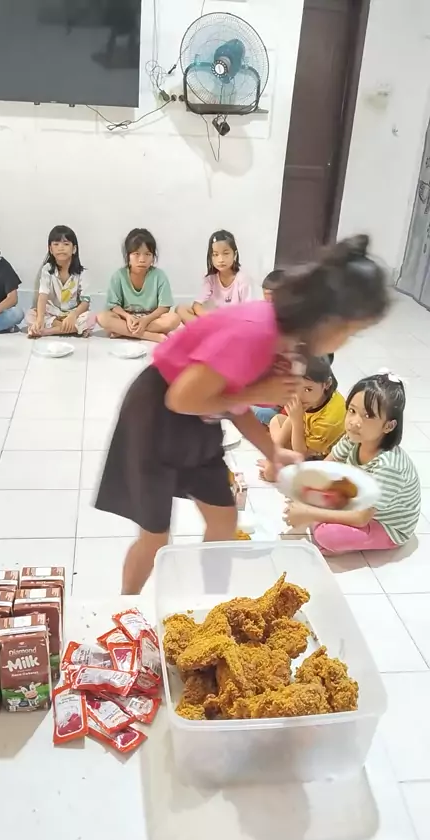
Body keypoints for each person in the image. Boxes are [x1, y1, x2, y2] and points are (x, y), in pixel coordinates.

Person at [95, 234, 390, 594]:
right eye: (351, 331)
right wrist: (256, 394)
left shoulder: (292, 346)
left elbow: (233, 403)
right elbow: (181, 399)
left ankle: (214, 602)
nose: (346, 340)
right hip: (158, 413)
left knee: (223, 518)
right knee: (155, 536)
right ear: (329, 318)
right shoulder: (256, 332)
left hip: (202, 414)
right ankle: (125, 605)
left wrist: (272, 451)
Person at [284, 372, 421, 554]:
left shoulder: (388, 466)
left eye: (368, 416)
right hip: (358, 500)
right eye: (352, 411)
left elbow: (361, 518)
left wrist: (308, 512)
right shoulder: (353, 438)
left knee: (327, 534)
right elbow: (324, 467)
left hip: (383, 525)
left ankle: (326, 529)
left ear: (389, 426)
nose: (355, 422)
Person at [254, 269, 335, 425]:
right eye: (266, 301)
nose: (269, 307)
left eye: (273, 301)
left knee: (253, 410)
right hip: (286, 392)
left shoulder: (306, 328)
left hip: (300, 400)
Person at [259, 356, 345, 481]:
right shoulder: (315, 398)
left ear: (327, 384)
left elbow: (301, 453)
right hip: (304, 437)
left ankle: (285, 465)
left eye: (308, 389)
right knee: (276, 420)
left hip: (319, 457)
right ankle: (280, 459)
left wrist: (296, 419)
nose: (300, 396)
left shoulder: (331, 420)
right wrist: (273, 453)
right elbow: (290, 420)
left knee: (270, 474)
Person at [97, 228, 179, 342]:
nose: (142, 259)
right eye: (136, 254)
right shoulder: (119, 276)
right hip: (126, 319)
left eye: (148, 254)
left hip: (150, 319)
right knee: (102, 317)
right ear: (128, 256)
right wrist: (127, 316)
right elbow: (113, 305)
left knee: (174, 319)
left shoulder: (159, 276)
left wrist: (145, 320)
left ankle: (123, 331)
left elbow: (164, 307)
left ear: (153, 256)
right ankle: (148, 335)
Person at [27, 226, 93, 337]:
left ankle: (47, 331)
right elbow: (42, 296)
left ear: (74, 249)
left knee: (91, 318)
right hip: (52, 312)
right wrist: (39, 320)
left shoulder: (82, 273)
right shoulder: (47, 269)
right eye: (56, 244)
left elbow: (85, 302)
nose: (61, 248)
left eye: (66, 244)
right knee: (30, 315)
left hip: (72, 313)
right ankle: (71, 329)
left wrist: (73, 316)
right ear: (50, 249)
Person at [177, 230, 251, 324]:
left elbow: (249, 310)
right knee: (181, 309)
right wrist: (210, 318)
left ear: (235, 254)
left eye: (226, 253)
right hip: (213, 320)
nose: (221, 259)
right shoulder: (210, 278)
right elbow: (197, 305)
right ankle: (207, 328)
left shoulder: (242, 278)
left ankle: (208, 329)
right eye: (215, 255)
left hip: (234, 322)